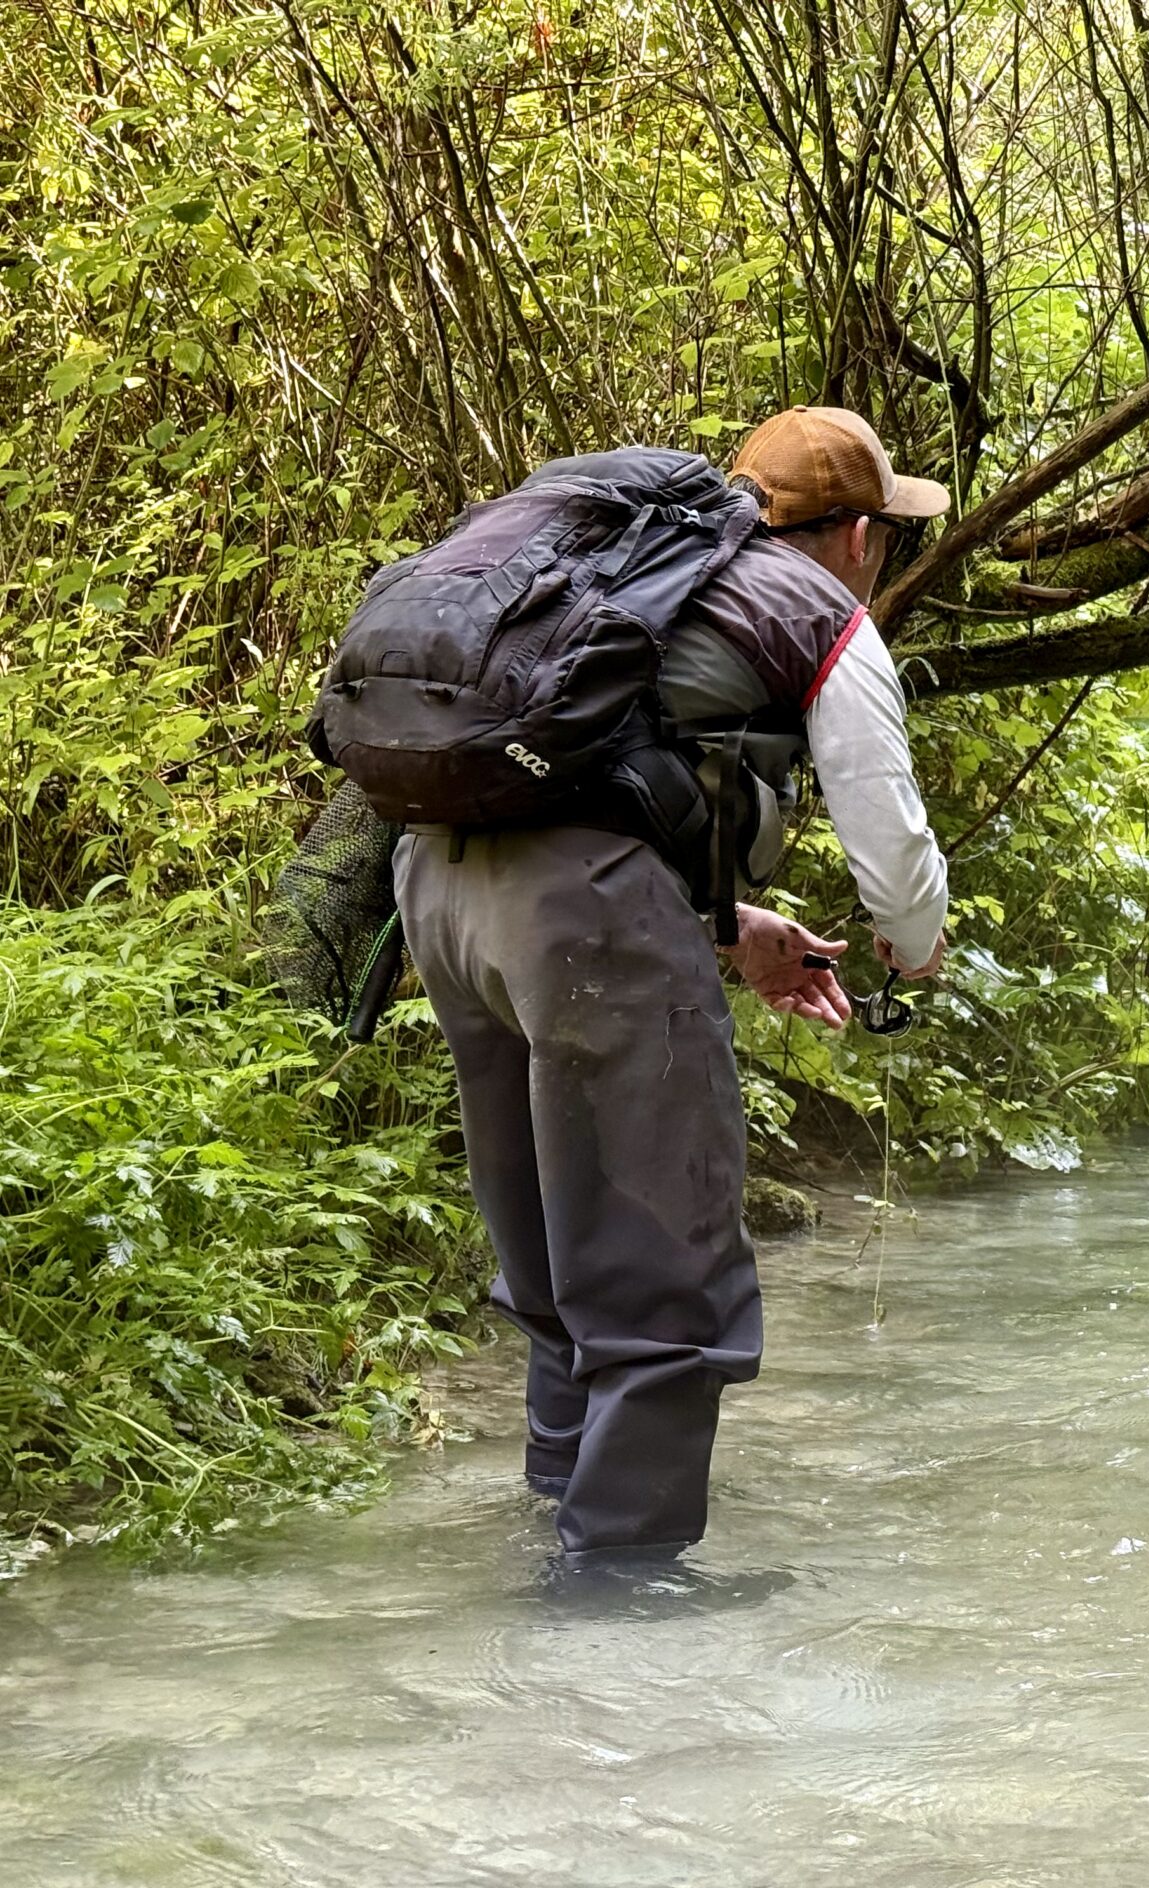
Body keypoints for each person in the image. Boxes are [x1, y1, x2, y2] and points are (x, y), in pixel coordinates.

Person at [390, 406, 952, 1565]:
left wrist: (727, 927)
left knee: (553, 1244)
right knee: (660, 1280)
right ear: (858, 537)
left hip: (438, 894)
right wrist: (913, 943)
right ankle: (620, 1597)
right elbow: (890, 848)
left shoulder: (630, 570)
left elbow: (596, 785)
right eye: (888, 535)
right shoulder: (816, 612)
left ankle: (556, 1514)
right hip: (579, 922)